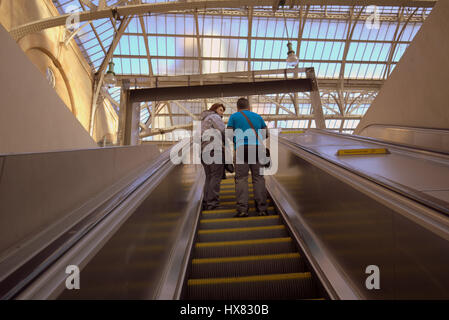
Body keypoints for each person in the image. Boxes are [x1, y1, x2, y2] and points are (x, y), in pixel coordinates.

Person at [227, 97, 269, 217]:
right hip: (257, 149)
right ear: (249, 106)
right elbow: (266, 133)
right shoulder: (257, 116)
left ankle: (242, 210)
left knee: (241, 179)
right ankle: (262, 209)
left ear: (237, 107)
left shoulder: (234, 117)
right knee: (258, 178)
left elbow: (229, 134)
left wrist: (237, 140)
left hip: (241, 149)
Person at [200, 103, 226, 210]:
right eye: (220, 110)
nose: (222, 113)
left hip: (204, 151)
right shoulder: (214, 117)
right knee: (215, 176)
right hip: (214, 150)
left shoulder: (203, 120)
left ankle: (206, 202)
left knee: (209, 177)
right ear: (215, 109)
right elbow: (223, 130)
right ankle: (213, 203)